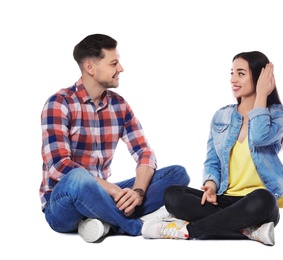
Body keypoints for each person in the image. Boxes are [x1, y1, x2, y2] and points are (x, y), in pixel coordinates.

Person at [39, 33, 190, 243]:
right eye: (114, 63)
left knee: (177, 174)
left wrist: (137, 191)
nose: (121, 69)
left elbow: (144, 152)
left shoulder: (119, 105)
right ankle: (138, 226)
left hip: (103, 197)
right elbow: (58, 165)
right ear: (90, 67)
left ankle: (105, 223)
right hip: (63, 204)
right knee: (79, 178)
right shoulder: (59, 103)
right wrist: (112, 189)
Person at [142, 51, 283, 246]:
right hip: (224, 199)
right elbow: (212, 161)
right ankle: (249, 231)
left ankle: (187, 231)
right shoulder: (222, 116)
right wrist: (211, 185)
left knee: (263, 199)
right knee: (172, 194)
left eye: (241, 73)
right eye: (231, 73)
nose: (233, 80)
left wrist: (262, 95)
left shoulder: (280, 115)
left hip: (256, 203)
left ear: (259, 77)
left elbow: (258, 137)